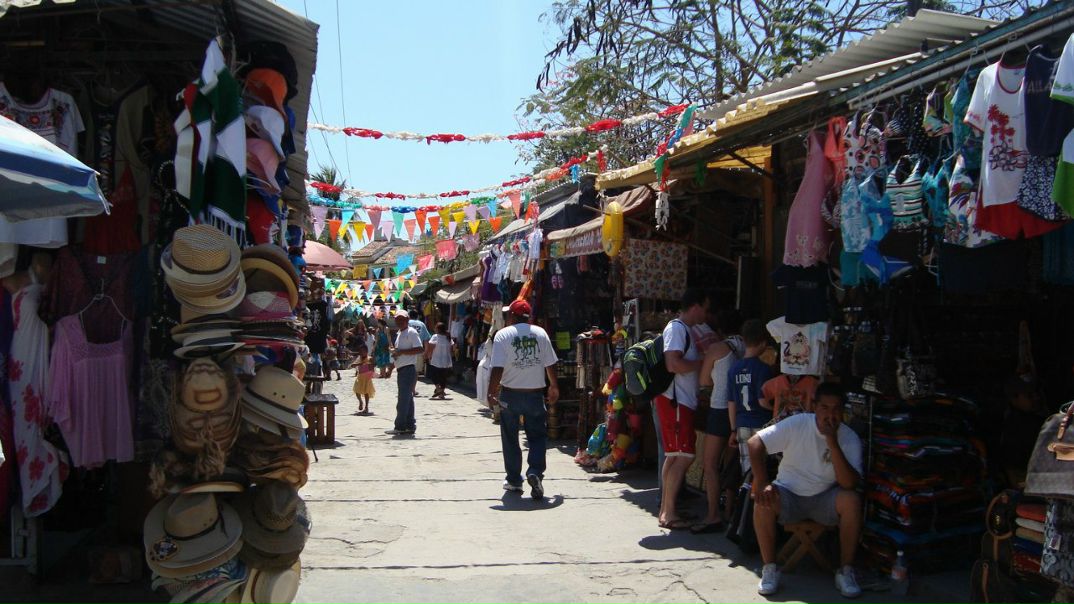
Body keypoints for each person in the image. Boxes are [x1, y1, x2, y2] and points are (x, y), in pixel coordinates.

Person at [749, 382, 863, 598]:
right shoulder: (799, 423)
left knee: (852, 500)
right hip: (788, 493)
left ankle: (846, 571)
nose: (830, 414)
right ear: (815, 407)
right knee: (763, 500)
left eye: (836, 409)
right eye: (824, 408)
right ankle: (769, 568)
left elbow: (849, 484)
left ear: (843, 412)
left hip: (825, 498)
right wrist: (762, 481)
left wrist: (832, 441)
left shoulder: (849, 438)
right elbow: (755, 443)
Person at [487, 300, 559, 500]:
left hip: (510, 394)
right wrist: (554, 385)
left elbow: (498, 366)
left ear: (511, 316)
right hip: (535, 394)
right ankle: (535, 471)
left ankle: (513, 480)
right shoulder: (541, 333)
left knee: (510, 437)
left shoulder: (503, 335)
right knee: (537, 436)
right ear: (529, 317)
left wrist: (491, 392)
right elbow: (550, 363)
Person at [654, 289, 709, 530]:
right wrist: (701, 363)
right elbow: (673, 364)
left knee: (675, 455)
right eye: (705, 308)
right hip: (677, 402)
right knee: (684, 456)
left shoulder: (682, 329)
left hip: (677, 401)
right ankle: (669, 512)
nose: (706, 314)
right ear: (695, 306)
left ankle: (667, 509)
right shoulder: (677, 329)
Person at [693, 310, 744, 534]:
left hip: (720, 408)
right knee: (733, 463)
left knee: (711, 464)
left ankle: (713, 514)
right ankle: (730, 511)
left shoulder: (717, 348)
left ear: (720, 329)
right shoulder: (748, 347)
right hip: (741, 410)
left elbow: (704, 380)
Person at [728, 319, 773, 473]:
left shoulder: (733, 369)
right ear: (763, 343)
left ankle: (746, 488)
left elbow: (732, 402)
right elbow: (762, 401)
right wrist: (776, 409)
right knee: (762, 468)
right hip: (761, 423)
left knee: (747, 468)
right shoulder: (764, 369)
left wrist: (733, 429)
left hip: (742, 424)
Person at [386, 311, 423, 435]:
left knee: (403, 400)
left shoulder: (411, 332)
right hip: (401, 369)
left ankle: (400, 426)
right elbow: (398, 354)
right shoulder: (400, 334)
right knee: (408, 400)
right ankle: (410, 425)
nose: (399, 322)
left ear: (407, 320)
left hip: (408, 369)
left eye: (402, 319)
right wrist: (391, 368)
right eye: (397, 319)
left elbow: (419, 349)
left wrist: (401, 352)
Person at [425, 322, 455, 399]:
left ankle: (438, 389)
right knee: (443, 376)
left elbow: (431, 347)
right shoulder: (448, 337)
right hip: (446, 360)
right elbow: (452, 350)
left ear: (438, 329)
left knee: (433, 375)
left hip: (436, 359)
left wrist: (428, 356)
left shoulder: (435, 336)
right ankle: (441, 392)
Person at [350, 344, 375, 415]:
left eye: (363, 351)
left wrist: (370, 367)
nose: (361, 353)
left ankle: (366, 407)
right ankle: (360, 401)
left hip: (367, 378)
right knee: (356, 390)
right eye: (360, 351)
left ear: (366, 352)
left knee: (366, 392)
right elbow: (352, 365)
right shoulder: (359, 359)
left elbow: (372, 368)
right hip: (360, 377)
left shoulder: (369, 358)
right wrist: (359, 364)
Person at [409, 309, 432, 378]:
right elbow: (426, 340)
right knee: (416, 371)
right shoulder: (422, 324)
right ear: (418, 316)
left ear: (409, 316)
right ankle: (413, 384)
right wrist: (426, 352)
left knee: (407, 369)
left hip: (407, 349)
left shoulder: (407, 323)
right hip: (419, 349)